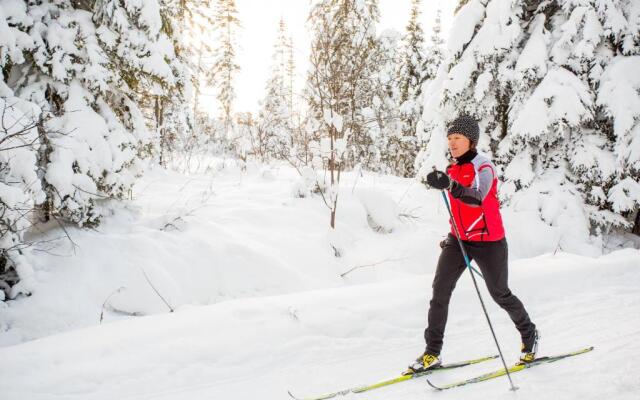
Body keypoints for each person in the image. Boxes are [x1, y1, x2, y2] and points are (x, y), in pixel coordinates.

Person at [406, 115, 538, 374]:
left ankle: (529, 334)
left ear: (471, 140)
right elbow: (458, 209)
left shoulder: (484, 167)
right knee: (439, 292)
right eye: (450, 138)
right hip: (459, 240)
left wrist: (451, 186)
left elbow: (477, 197)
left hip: (489, 242)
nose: (452, 143)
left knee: (500, 294)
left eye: (457, 138)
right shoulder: (452, 167)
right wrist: (452, 233)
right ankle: (432, 353)